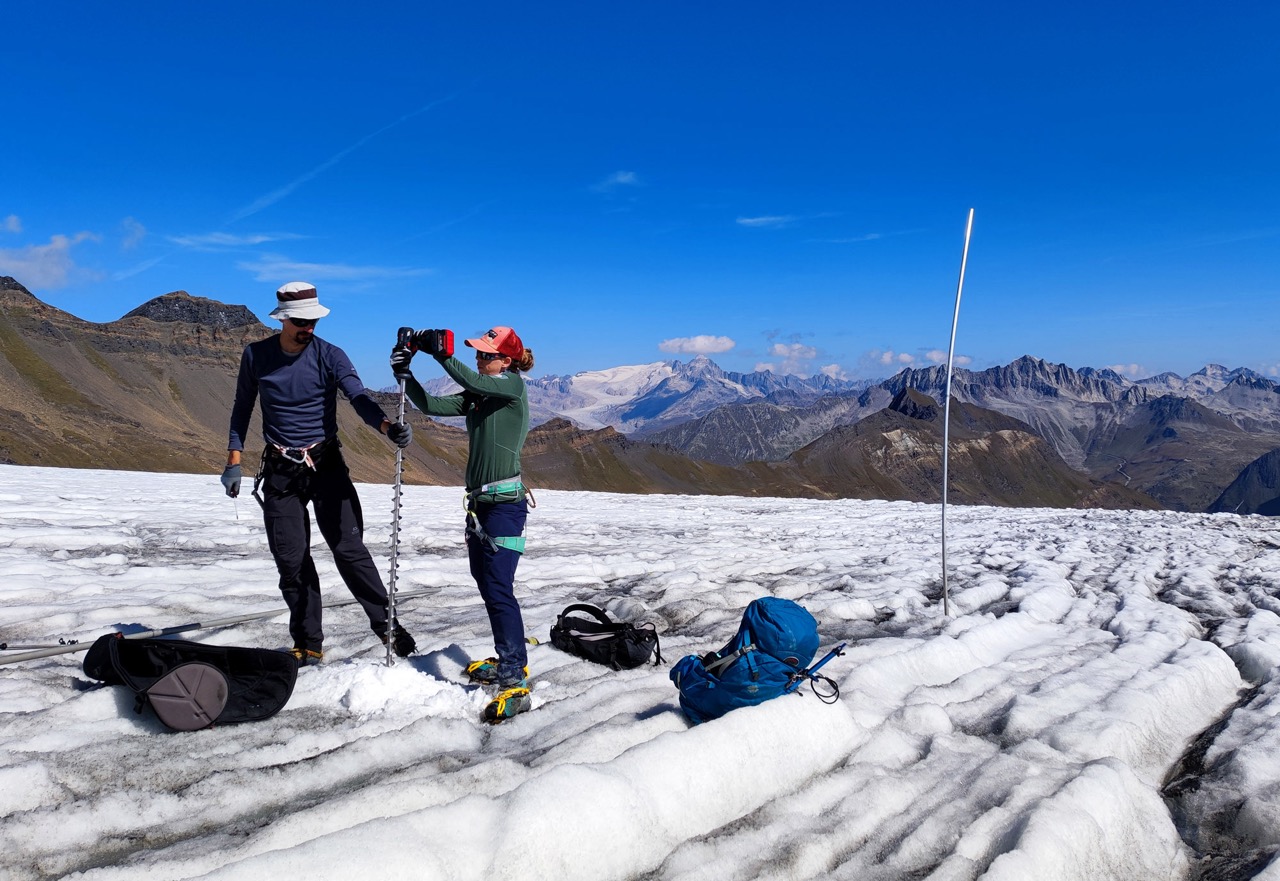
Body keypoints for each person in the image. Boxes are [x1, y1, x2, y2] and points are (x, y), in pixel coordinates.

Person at [221, 281, 416, 664]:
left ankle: (387, 628)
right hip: (280, 471)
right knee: (291, 560)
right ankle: (308, 642)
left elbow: (358, 397)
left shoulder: (331, 355)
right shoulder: (256, 356)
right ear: (282, 319)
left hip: (325, 466)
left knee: (349, 550)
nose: (308, 327)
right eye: (300, 321)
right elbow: (242, 407)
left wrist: (386, 428)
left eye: (313, 320)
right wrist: (233, 461)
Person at [390, 325, 534, 723]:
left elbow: (467, 377)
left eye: (487, 355)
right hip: (480, 507)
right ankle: (510, 660)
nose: (479, 360)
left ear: (506, 361)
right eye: (478, 354)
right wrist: (406, 375)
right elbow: (432, 406)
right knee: (488, 585)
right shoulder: (481, 395)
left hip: (505, 506)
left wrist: (440, 355)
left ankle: (514, 672)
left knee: (499, 587)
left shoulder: (510, 388)